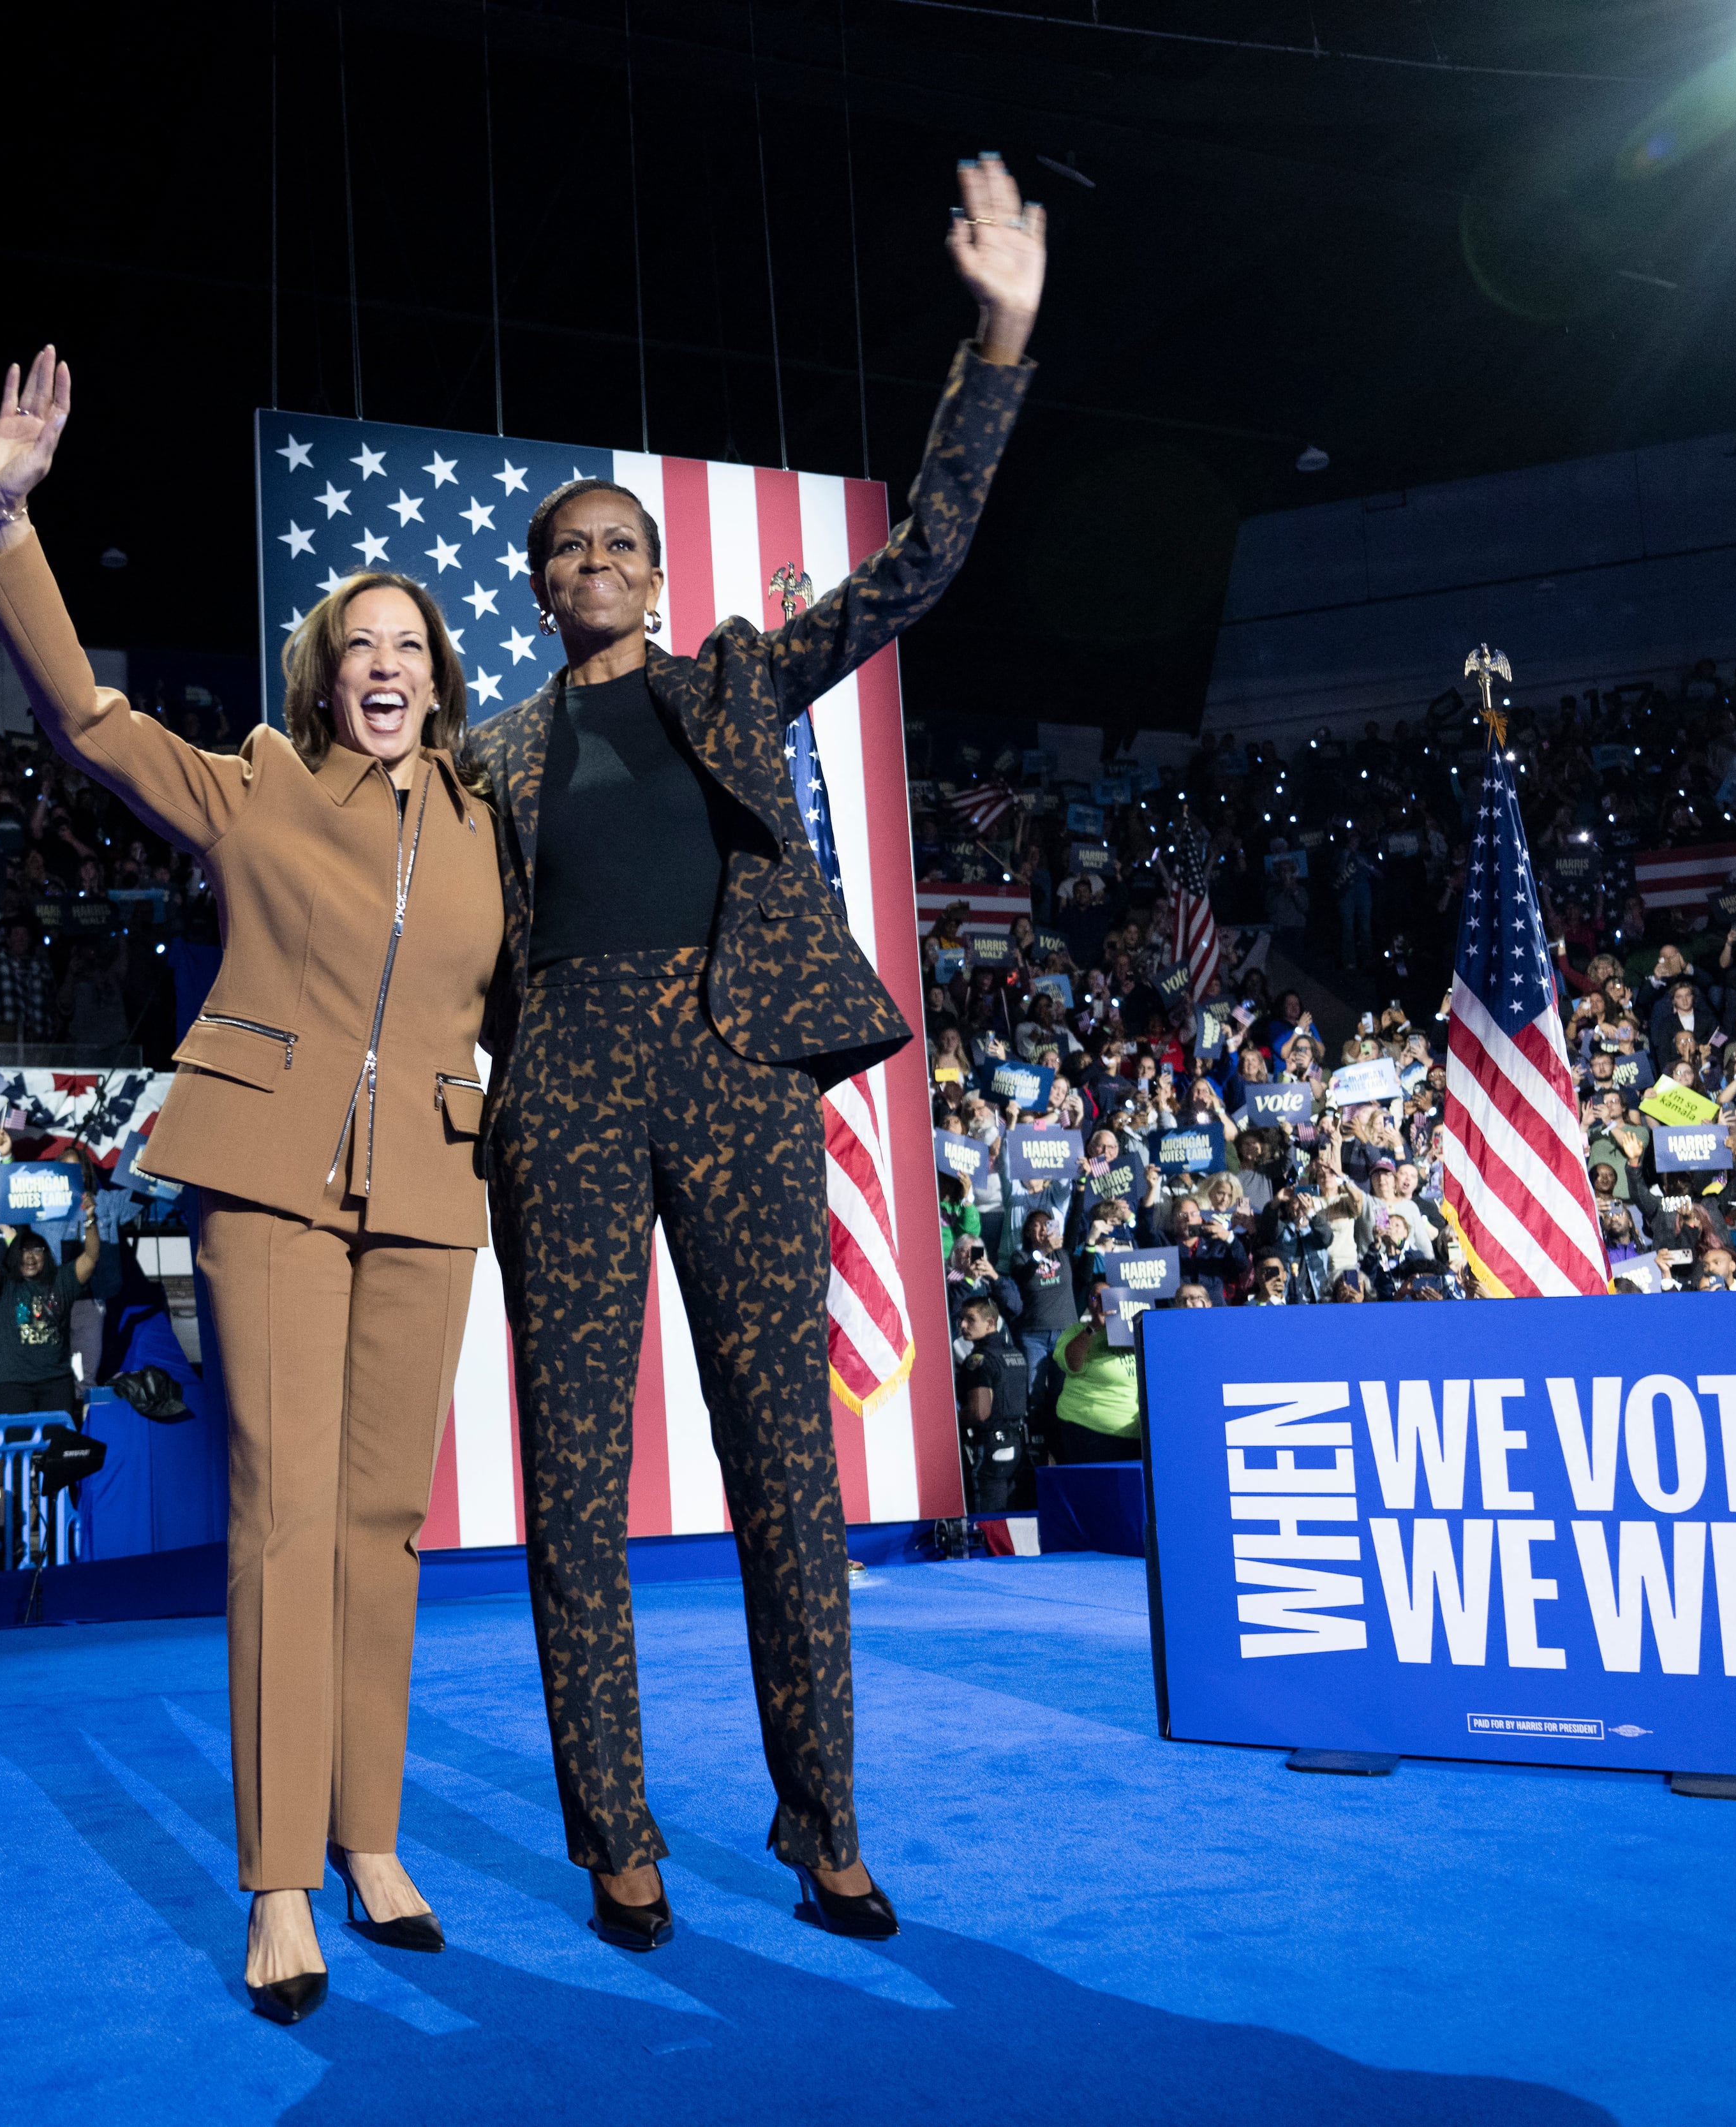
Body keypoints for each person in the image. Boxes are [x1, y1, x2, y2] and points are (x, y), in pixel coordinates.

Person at [450, 153, 1044, 1954]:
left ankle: (829, 1824)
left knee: (788, 1464)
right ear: (539, 585)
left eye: (626, 542)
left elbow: (924, 562)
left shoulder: (734, 681)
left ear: (654, 569)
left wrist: (1000, 333)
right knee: (573, 1476)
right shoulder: (487, 756)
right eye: (573, 548)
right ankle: (614, 1834)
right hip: (561, 1081)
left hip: (735, 1069)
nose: (604, 564)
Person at [0, 343, 507, 2023]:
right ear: (324, 672)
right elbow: (91, 720)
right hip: (264, 1170)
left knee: (382, 1523)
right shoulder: (262, 783)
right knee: (279, 1512)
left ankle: (373, 1835)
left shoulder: (499, 823)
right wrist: (8, 518)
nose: (385, 670)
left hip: (426, 1180)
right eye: (362, 649)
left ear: (444, 672)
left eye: (410, 648)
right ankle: (280, 1879)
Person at [0, 1201, 119, 1414]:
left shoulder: (62, 1279)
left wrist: (90, 1221)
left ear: (46, 1254)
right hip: (13, 1384)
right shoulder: (6, 1283)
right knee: (17, 1446)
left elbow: (91, 1257)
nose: (29, 1257)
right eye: (23, 1251)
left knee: (54, 1444)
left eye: (36, 1251)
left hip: (56, 1383)